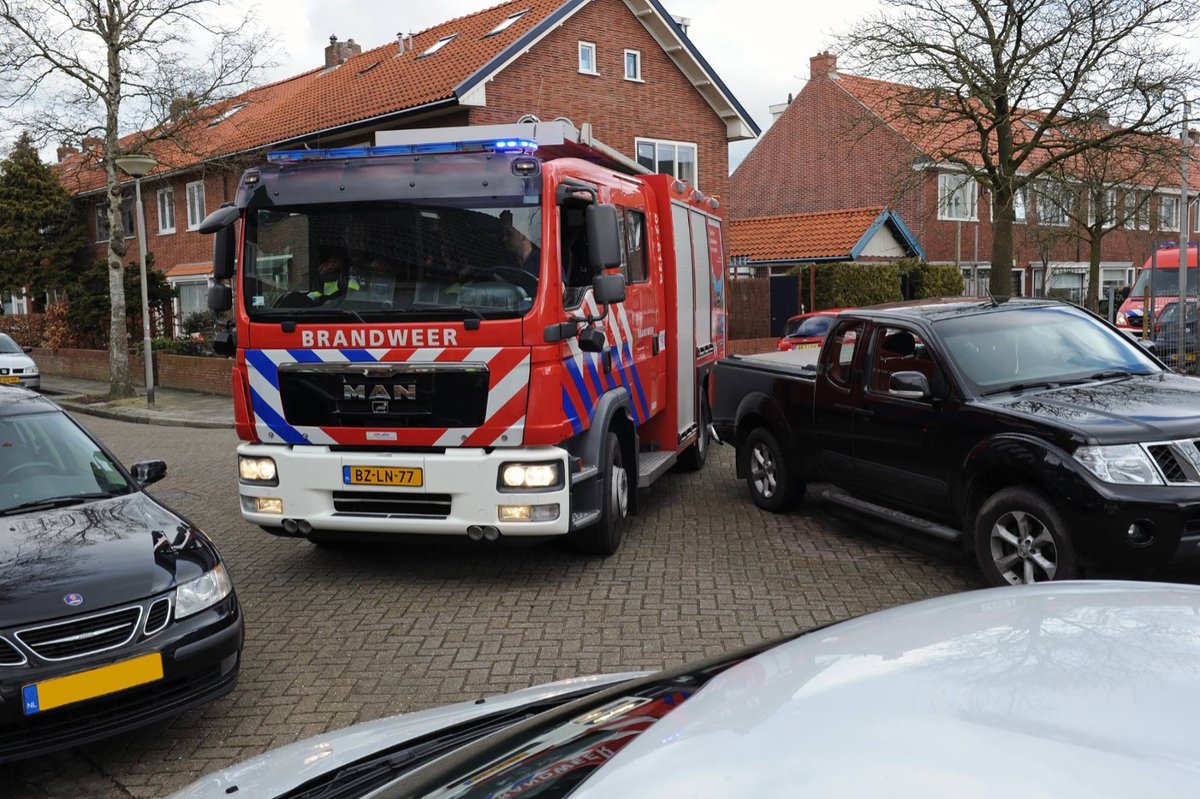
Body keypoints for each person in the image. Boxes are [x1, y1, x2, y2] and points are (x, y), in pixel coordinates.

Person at [500, 210, 540, 277]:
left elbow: (559, 286)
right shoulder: (504, 261)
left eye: (509, 233)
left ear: (523, 234)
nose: (504, 239)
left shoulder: (546, 262)